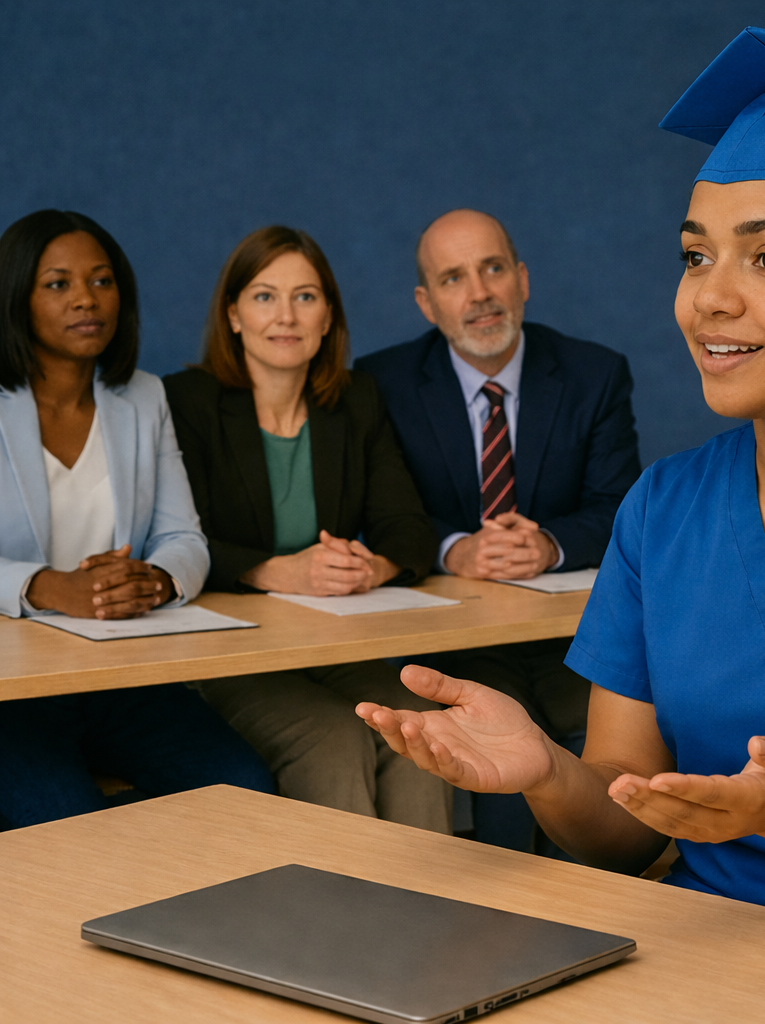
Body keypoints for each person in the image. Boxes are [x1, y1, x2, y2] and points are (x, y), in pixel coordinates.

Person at [357, 28, 765, 962]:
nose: (708, 298)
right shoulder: (663, 509)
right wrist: (548, 771)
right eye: (695, 255)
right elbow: (626, 824)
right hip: (700, 963)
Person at [355, 209, 641, 851]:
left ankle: (613, 906)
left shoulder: (593, 375)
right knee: (499, 734)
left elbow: (621, 503)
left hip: (566, 641)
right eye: (454, 279)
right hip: (451, 645)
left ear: (522, 279)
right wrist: (454, 549)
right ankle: (508, 923)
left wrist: (549, 544)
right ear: (428, 304)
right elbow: (369, 513)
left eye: (492, 269)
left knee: (635, 735)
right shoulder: (382, 384)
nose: (479, 293)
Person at [163, 226, 451, 833]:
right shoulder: (185, 401)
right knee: (331, 740)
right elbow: (169, 541)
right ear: (233, 315)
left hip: (325, 641)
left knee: (415, 723)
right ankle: (344, 924)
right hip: (225, 655)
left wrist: (375, 565)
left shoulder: (355, 400)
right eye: (265, 296)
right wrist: (275, 570)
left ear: (328, 319)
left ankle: (428, 915)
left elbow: (408, 526)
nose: (286, 315)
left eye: (306, 296)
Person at [0, 209, 275, 828]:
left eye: (102, 281)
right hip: (9, 692)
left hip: (118, 675)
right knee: (65, 818)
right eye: (58, 284)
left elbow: (184, 538)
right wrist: (47, 586)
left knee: (242, 786)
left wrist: (158, 579)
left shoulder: (144, 397)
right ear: (16, 296)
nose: (86, 300)